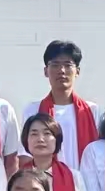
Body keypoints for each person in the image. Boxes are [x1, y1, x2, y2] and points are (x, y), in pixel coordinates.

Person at [30, 40, 98, 176]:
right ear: (46, 71)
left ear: (77, 71)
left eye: (68, 65)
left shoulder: (92, 110)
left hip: (83, 183)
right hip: (46, 181)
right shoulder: (33, 110)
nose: (61, 71)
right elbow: (25, 154)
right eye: (55, 65)